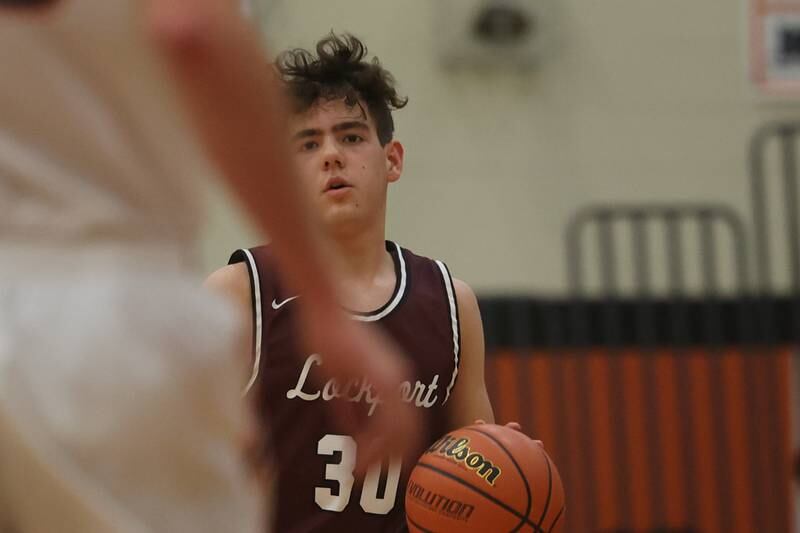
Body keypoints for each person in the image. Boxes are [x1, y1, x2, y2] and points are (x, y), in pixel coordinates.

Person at [0, 2, 417, 532]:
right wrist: (323, 303)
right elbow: (191, 29)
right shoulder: (241, 287)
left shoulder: (445, 292)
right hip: (108, 311)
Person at [206, 32, 495, 532]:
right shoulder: (240, 293)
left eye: (352, 136)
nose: (332, 155)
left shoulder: (451, 304)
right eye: (308, 143)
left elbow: (481, 469)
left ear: (393, 160)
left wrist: (507, 467)